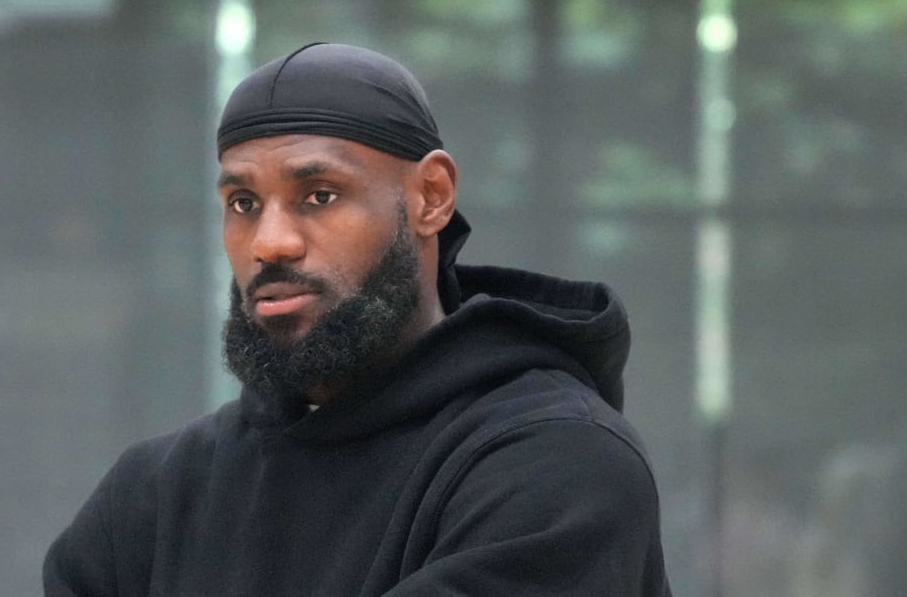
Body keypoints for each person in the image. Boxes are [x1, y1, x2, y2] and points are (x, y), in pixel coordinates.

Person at [44, 42, 672, 596]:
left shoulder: (558, 462)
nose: (271, 243)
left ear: (431, 197)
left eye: (319, 195)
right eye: (243, 202)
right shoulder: (153, 496)